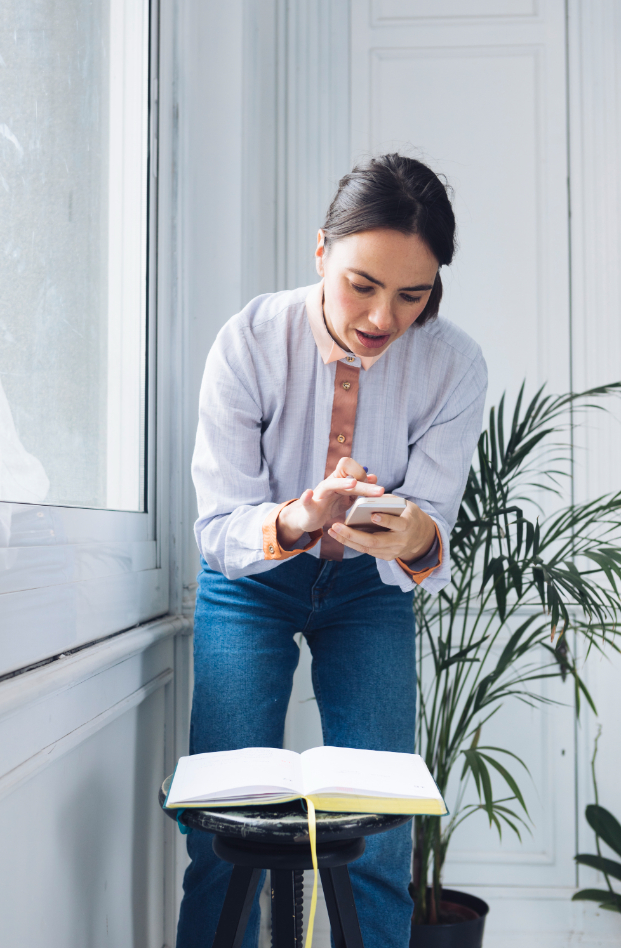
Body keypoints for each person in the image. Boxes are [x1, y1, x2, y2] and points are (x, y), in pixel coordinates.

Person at [176, 154, 487, 948]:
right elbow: (218, 528)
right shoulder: (248, 342)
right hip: (250, 588)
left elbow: (430, 532)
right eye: (361, 284)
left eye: (411, 295)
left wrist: (416, 535)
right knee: (225, 829)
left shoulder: (452, 365)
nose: (383, 316)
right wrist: (296, 517)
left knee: (382, 836)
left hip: (369, 596)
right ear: (321, 252)